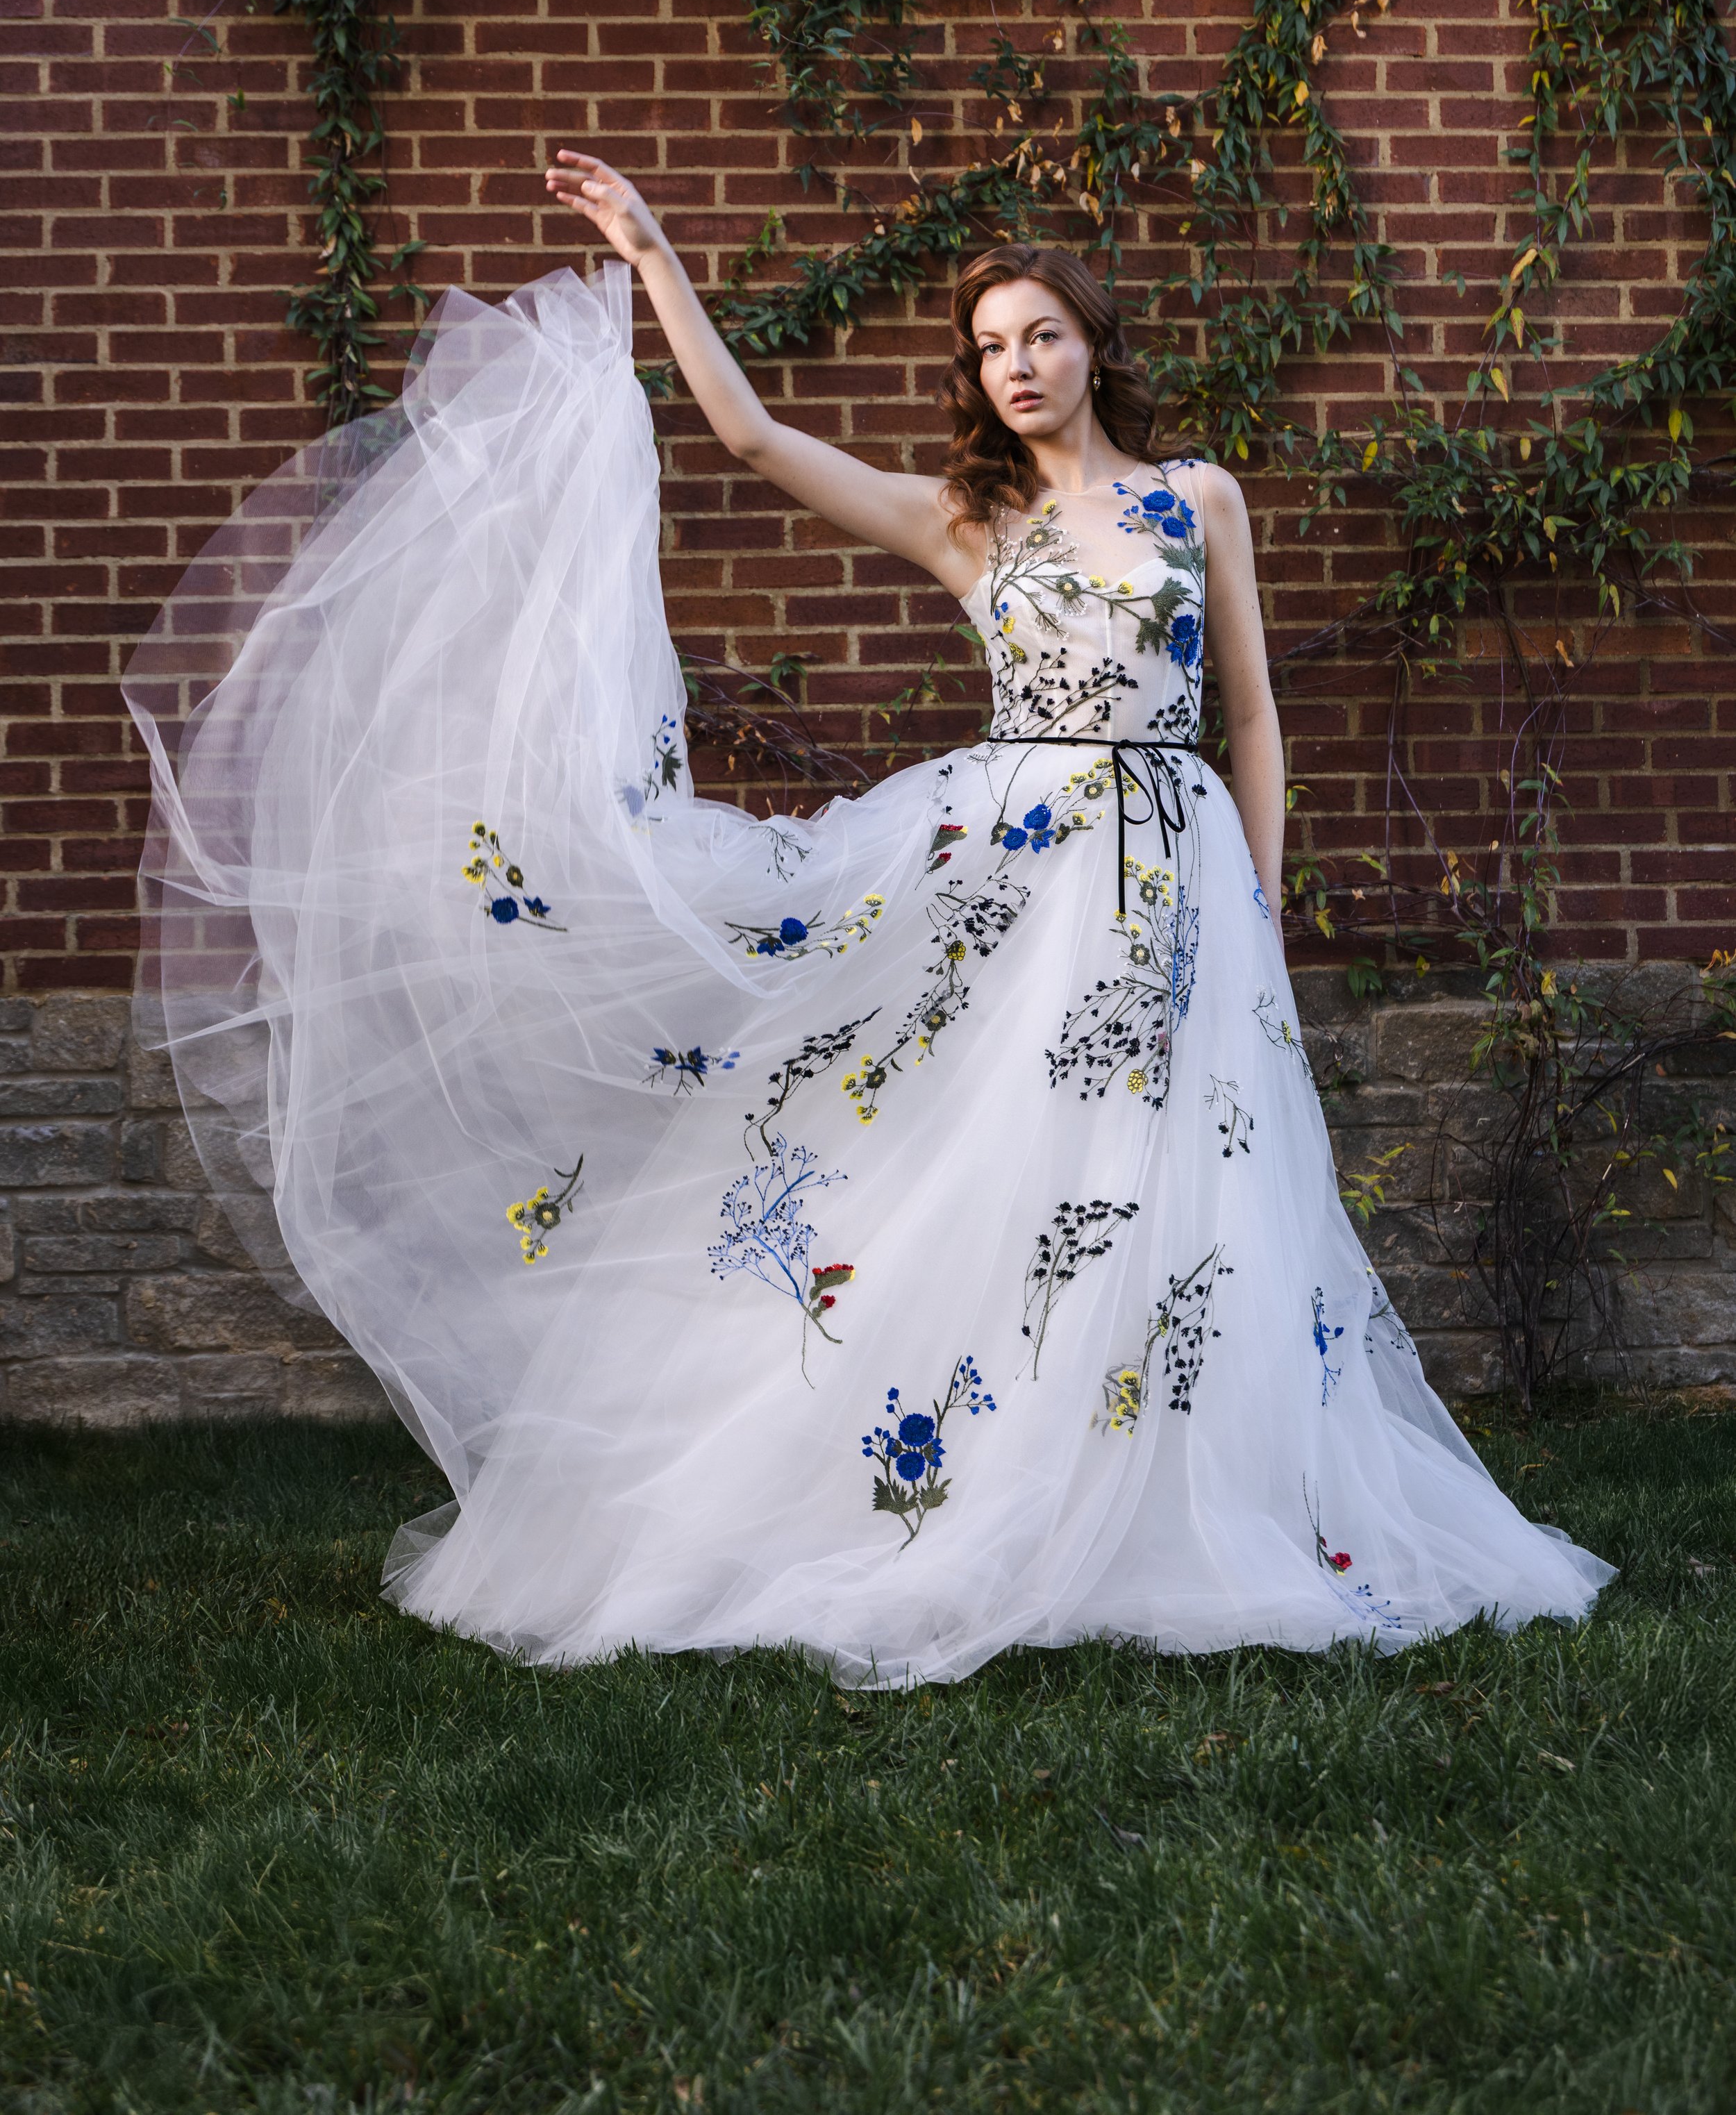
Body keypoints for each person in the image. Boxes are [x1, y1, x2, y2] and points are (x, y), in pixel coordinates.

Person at [124, 154, 1614, 1687]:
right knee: (1000, 1181)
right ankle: (984, 1498)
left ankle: (1168, 1505)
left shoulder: (1201, 500)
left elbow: (1250, 716)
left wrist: (1257, 899)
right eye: (985, 347)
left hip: (1179, 886)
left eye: (1035, 334)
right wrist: (651, 255)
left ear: (1090, 342)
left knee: (1183, 1192)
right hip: (1018, 890)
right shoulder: (965, 522)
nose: (1012, 365)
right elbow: (754, 437)